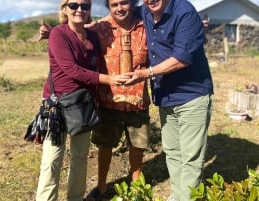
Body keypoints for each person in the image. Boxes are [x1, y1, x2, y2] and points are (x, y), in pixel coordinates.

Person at [39, 1, 151, 200]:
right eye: (73, 5)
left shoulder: (92, 33)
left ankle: (75, 198)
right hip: (58, 105)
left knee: (80, 158)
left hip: (84, 104)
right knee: (52, 160)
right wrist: (109, 79)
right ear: (64, 8)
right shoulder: (60, 32)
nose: (79, 10)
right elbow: (71, 69)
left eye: (85, 6)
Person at [124, 0, 214, 201]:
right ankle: (179, 194)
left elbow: (182, 58)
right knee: (173, 152)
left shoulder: (185, 12)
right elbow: (120, 12)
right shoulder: (145, 11)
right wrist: (80, 27)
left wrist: (146, 73)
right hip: (166, 96)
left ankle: (187, 198)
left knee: (191, 157)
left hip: (192, 95)